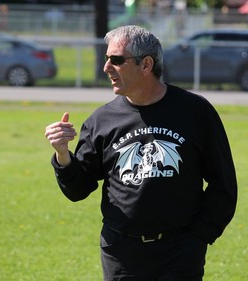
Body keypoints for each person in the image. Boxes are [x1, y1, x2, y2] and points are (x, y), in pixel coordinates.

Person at [45, 25, 237, 281]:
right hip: (121, 252)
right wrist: (63, 155)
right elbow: (79, 190)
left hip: (179, 251)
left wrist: (200, 236)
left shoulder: (195, 112)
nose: (106, 68)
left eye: (116, 60)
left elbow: (223, 183)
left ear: (146, 65)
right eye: (106, 59)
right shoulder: (101, 120)